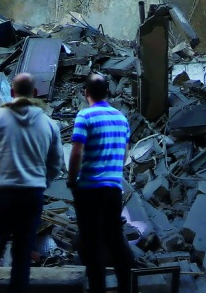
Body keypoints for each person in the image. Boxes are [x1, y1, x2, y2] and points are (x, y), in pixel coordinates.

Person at [0, 72, 63, 293]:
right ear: (35, 93)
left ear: (12, 92)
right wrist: (41, 183)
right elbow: (56, 164)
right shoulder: (49, 123)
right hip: (32, 197)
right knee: (22, 255)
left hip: (4, 195)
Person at [67, 73, 134, 293]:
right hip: (113, 188)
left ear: (86, 93)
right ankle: (125, 287)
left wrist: (71, 179)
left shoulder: (84, 117)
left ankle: (98, 290)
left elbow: (76, 153)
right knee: (115, 239)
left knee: (91, 242)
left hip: (88, 189)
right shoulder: (121, 119)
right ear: (108, 92)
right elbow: (124, 156)